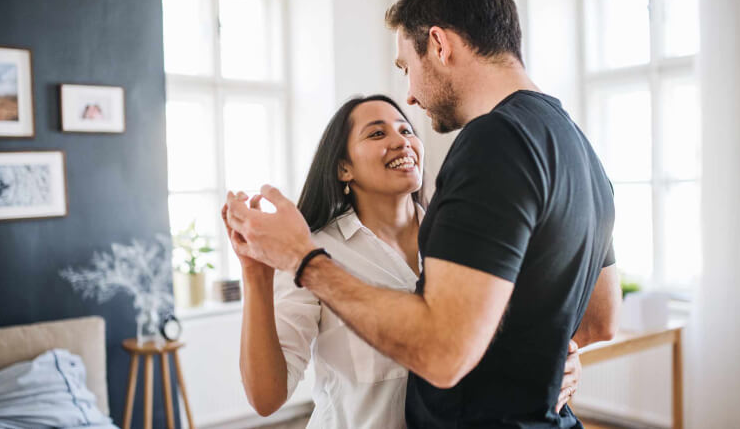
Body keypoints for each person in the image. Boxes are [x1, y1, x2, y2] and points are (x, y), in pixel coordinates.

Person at [224, 0, 621, 427]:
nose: (410, 96)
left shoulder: (493, 142)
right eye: (377, 132)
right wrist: (542, 367)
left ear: (438, 44)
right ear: (342, 168)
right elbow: (597, 320)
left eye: (405, 66)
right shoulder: (578, 146)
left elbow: (444, 351)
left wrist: (304, 260)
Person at [221, 95, 583, 428]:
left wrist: (558, 364)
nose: (401, 141)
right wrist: (255, 275)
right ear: (344, 168)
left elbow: (499, 335)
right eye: (377, 133)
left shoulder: (465, 239)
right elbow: (267, 398)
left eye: (406, 130)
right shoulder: (310, 252)